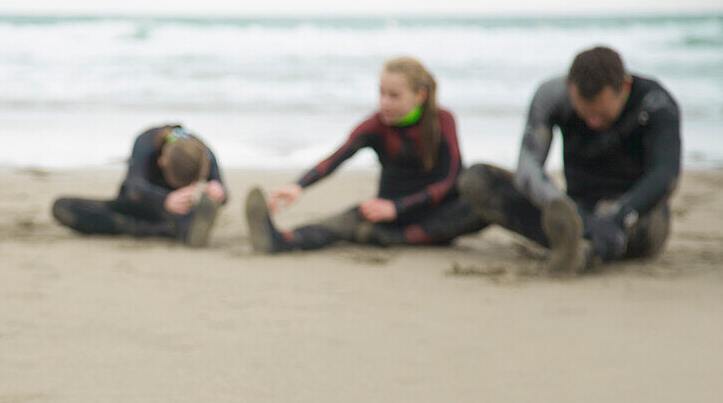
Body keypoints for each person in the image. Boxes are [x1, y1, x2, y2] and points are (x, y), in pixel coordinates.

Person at [457, 46, 681, 275]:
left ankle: (583, 253)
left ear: (624, 88)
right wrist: (565, 208)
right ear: (570, 89)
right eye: (585, 113)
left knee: (621, 220)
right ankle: (574, 239)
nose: (593, 122)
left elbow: (665, 175)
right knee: (476, 179)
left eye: (602, 115)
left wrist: (618, 216)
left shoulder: (655, 103)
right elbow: (528, 169)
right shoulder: (552, 94)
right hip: (575, 210)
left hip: (633, 215)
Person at [245, 56, 484, 253]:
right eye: (381, 93)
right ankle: (279, 240)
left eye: (394, 95)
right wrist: (298, 186)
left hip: (436, 210)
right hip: (387, 213)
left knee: (479, 196)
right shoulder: (376, 125)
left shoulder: (443, 121)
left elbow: (451, 179)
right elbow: (337, 158)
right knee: (340, 223)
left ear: (419, 95)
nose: (384, 103)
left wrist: (397, 207)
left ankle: (397, 236)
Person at [51, 125, 227, 247]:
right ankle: (172, 231)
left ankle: (180, 229)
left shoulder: (204, 154)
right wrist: (165, 199)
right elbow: (133, 187)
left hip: (178, 213)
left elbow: (224, 194)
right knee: (63, 206)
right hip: (140, 206)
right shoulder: (146, 143)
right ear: (161, 162)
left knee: (187, 216)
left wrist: (219, 192)